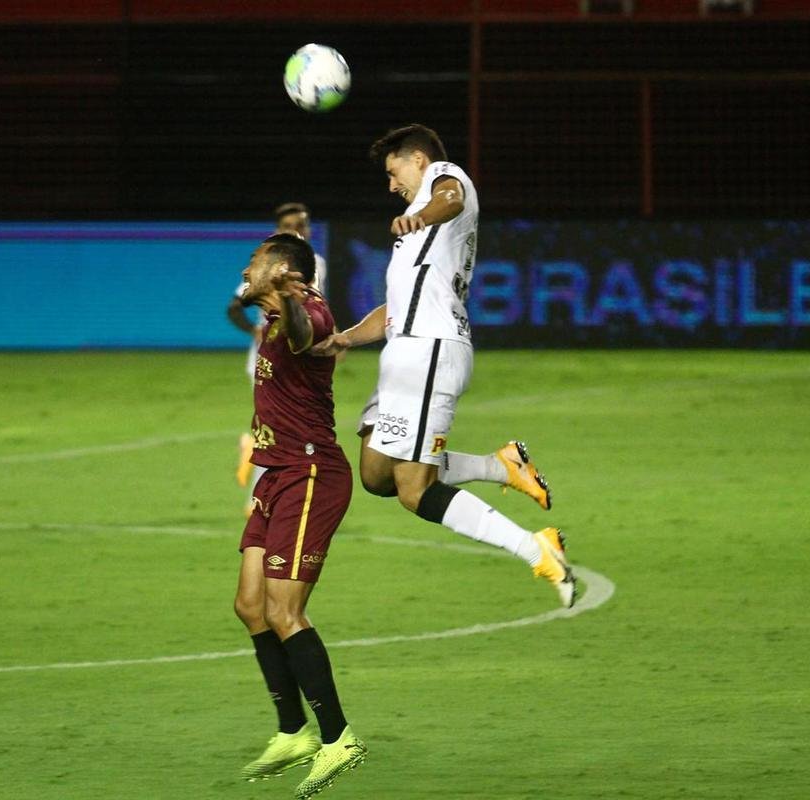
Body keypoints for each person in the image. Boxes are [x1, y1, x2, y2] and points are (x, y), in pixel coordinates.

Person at [312, 124, 576, 608]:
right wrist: (346, 337)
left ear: (418, 159)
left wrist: (423, 215)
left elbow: (450, 197)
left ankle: (535, 547)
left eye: (394, 172)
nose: (391, 185)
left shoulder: (445, 180)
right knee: (375, 474)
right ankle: (500, 466)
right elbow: (394, 310)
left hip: (430, 351)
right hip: (403, 353)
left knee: (414, 491)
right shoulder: (413, 234)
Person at [232, 233, 367, 798]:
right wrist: (262, 292)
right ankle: (293, 732)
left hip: (311, 474)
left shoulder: (309, 309)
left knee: (287, 611)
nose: (248, 265)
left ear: (285, 270)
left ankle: (339, 739)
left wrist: (284, 297)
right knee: (250, 605)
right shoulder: (272, 310)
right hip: (276, 474)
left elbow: (309, 332)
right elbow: (238, 302)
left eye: (260, 260)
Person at [229, 202, 328, 505]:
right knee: (279, 430)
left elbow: (315, 308)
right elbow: (235, 305)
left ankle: (262, 483)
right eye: (292, 226)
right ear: (278, 231)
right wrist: (254, 331)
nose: (300, 231)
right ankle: (261, 500)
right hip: (268, 357)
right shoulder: (268, 264)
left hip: (297, 357)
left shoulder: (316, 262)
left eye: (304, 225)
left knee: (285, 429)